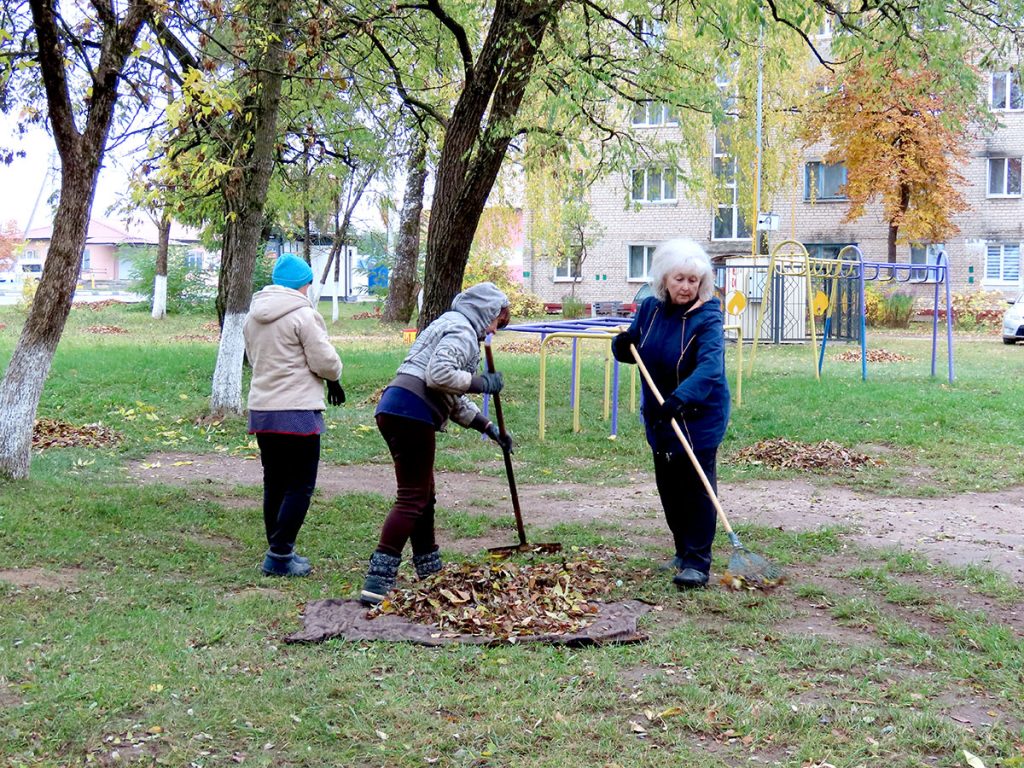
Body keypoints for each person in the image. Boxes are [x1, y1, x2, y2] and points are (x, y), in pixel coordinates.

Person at [360, 282, 513, 606]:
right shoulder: (461, 330)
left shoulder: (447, 323)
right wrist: (480, 382)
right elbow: (438, 376)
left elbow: (449, 397)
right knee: (412, 497)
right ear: (486, 311)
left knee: (423, 495)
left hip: (398, 407)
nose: (494, 332)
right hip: (411, 412)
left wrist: (488, 427)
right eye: (497, 322)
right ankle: (377, 581)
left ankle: (429, 568)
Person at [611, 239, 730, 589]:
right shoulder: (650, 309)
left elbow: (710, 367)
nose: (686, 287)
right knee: (669, 486)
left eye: (693, 280)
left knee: (696, 485)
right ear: (665, 279)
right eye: (680, 279)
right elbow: (636, 343)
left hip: (697, 413)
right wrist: (622, 346)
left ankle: (697, 561)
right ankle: (681, 552)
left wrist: (681, 398)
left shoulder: (707, 316)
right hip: (661, 413)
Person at [244, 254, 345, 577]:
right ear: (304, 284)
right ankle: (279, 555)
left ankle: (279, 550)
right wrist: (335, 376)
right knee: (300, 485)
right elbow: (325, 362)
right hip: (298, 411)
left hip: (263, 411)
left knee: (274, 482)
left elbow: (251, 358)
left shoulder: (252, 317)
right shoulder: (304, 315)